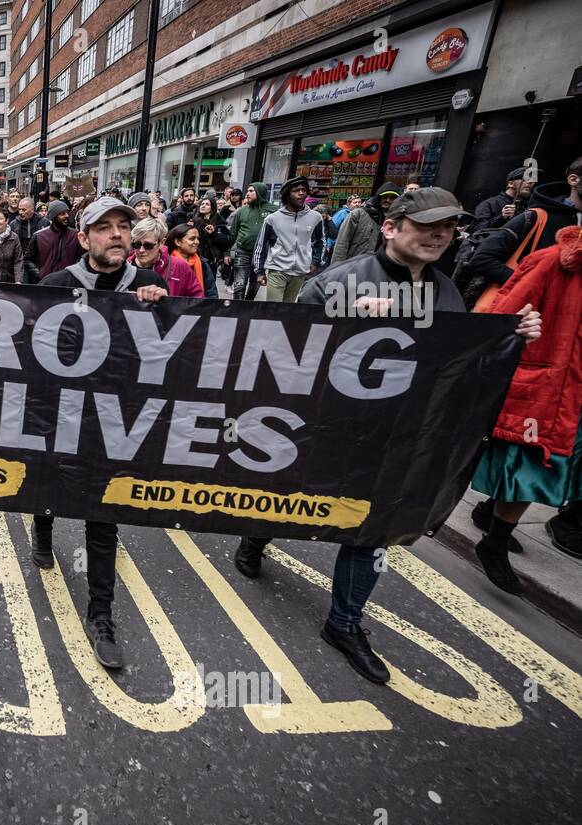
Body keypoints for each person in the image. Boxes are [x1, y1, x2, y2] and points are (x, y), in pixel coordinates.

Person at [234, 188, 541, 683]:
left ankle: (345, 623)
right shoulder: (338, 283)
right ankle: (256, 538)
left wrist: (509, 338)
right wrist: (346, 321)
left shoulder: (445, 291)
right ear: (392, 227)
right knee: (291, 498)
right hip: (327, 429)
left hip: (397, 436)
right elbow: (284, 358)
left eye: (447, 227)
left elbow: (453, 366)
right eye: (426, 225)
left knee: (373, 526)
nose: (440, 235)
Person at [35, 197, 170, 669]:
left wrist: (161, 308)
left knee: (103, 513)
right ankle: (42, 525)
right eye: (104, 227)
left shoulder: (149, 284)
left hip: (114, 420)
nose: (116, 234)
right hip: (64, 413)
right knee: (48, 485)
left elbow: (172, 354)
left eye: (123, 226)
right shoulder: (55, 285)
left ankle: (101, 615)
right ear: (84, 238)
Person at [470, 222, 582, 589]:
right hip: (545, 386)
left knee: (546, 472)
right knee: (530, 469)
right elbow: (501, 319)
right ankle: (495, 542)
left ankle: (491, 515)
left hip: (574, 390)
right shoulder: (550, 262)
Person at [467, 156, 582, 290]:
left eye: (532, 180)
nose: (530, 182)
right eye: (525, 178)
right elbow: (479, 245)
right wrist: (526, 285)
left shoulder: (527, 206)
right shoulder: (535, 214)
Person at [253, 176, 323, 303]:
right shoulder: (273, 219)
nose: (301, 193)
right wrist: (260, 271)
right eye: (296, 190)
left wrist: (316, 262)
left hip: (300, 272)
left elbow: (320, 241)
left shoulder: (315, 217)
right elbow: (261, 245)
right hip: (277, 270)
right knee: (273, 308)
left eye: (303, 190)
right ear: (287, 195)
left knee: (288, 309)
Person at [226, 182, 276, 301]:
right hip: (242, 252)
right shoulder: (241, 211)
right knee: (239, 284)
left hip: (262, 255)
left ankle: (248, 307)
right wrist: (227, 253)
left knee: (254, 285)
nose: (247, 194)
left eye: (251, 191)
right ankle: (237, 309)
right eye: (247, 191)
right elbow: (232, 233)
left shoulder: (274, 211)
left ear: (260, 192)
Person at [330, 183, 400, 266]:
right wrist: (336, 268)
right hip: (354, 267)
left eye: (392, 197)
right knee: (351, 279)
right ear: (378, 197)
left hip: (380, 269)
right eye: (385, 196)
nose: (387, 200)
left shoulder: (399, 219)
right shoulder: (359, 214)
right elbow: (342, 243)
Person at [131, 217, 202, 297]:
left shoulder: (179, 266)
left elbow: (197, 301)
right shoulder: (124, 265)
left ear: (161, 242)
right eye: (136, 244)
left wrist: (166, 302)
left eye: (148, 245)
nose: (141, 250)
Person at [25, 199, 81, 281]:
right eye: (62, 213)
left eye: (67, 213)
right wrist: (40, 274)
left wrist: (73, 273)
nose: (67, 216)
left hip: (68, 284)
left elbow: (80, 259)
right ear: (53, 217)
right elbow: (28, 260)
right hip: (45, 284)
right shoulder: (39, 236)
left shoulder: (75, 235)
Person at [166, 222, 217, 297]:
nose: (197, 242)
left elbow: (211, 293)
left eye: (197, 239)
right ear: (178, 242)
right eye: (192, 239)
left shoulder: (203, 264)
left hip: (198, 306)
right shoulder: (166, 263)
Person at [8, 197, 48, 280]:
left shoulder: (44, 222)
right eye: (19, 210)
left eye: (24, 210)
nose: (21, 212)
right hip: (21, 263)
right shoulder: (13, 224)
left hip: (40, 263)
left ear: (32, 210)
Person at [190, 196, 230, 272]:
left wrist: (226, 255)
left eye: (207, 204)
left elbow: (225, 240)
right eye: (202, 204)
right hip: (196, 255)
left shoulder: (219, 222)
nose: (203, 206)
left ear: (212, 208)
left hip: (212, 258)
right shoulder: (194, 220)